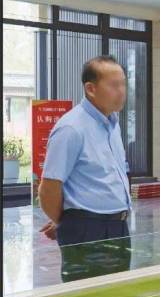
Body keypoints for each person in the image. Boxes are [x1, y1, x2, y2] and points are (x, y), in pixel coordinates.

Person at [38, 55, 132, 282]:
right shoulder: (71, 128)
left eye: (123, 84)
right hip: (87, 230)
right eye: (114, 85)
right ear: (90, 89)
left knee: (116, 294)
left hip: (118, 226)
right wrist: (68, 220)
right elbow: (49, 188)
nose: (121, 91)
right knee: (88, 295)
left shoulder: (113, 125)